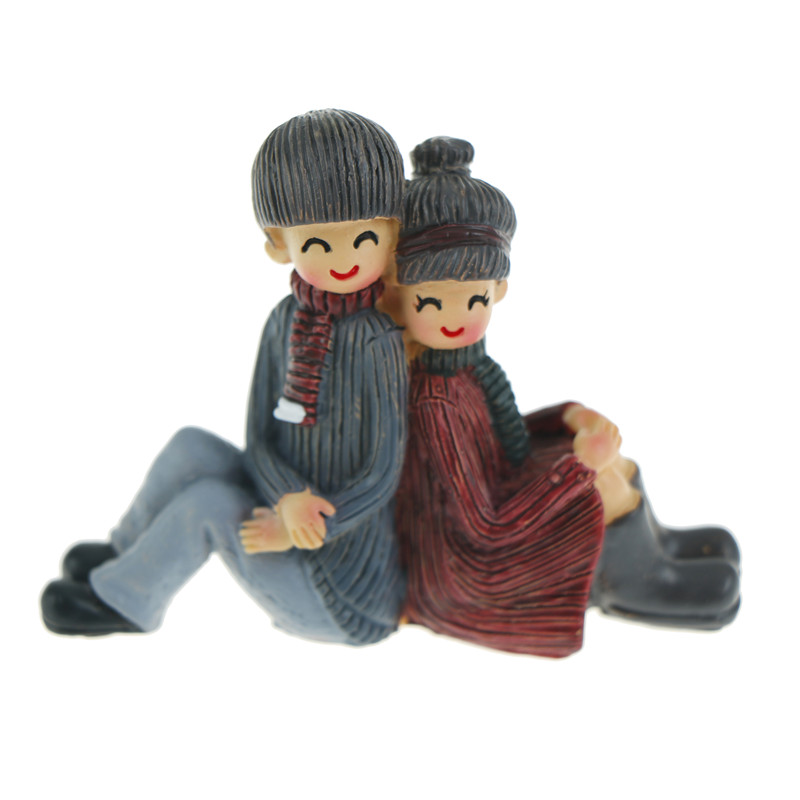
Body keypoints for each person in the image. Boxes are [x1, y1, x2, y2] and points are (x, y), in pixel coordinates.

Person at [40, 110, 409, 646]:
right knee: (191, 447)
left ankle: (128, 600)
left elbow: (383, 469)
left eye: (365, 238)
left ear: (392, 235)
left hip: (341, 587)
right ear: (278, 244)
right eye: (318, 244)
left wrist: (307, 523)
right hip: (287, 505)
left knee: (210, 503)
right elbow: (258, 435)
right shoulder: (285, 320)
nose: (344, 260)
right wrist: (287, 495)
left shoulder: (377, 340)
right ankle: (125, 551)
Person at [385, 136, 740, 658]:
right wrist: (576, 469)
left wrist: (568, 418)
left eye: (476, 298)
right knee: (597, 485)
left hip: (500, 483)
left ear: (499, 290)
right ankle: (636, 580)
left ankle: (655, 545)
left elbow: (501, 435)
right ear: (401, 296)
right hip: (463, 559)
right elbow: (485, 524)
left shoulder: (467, 367)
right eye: (432, 303)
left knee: (616, 465)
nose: (455, 319)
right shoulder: (434, 401)